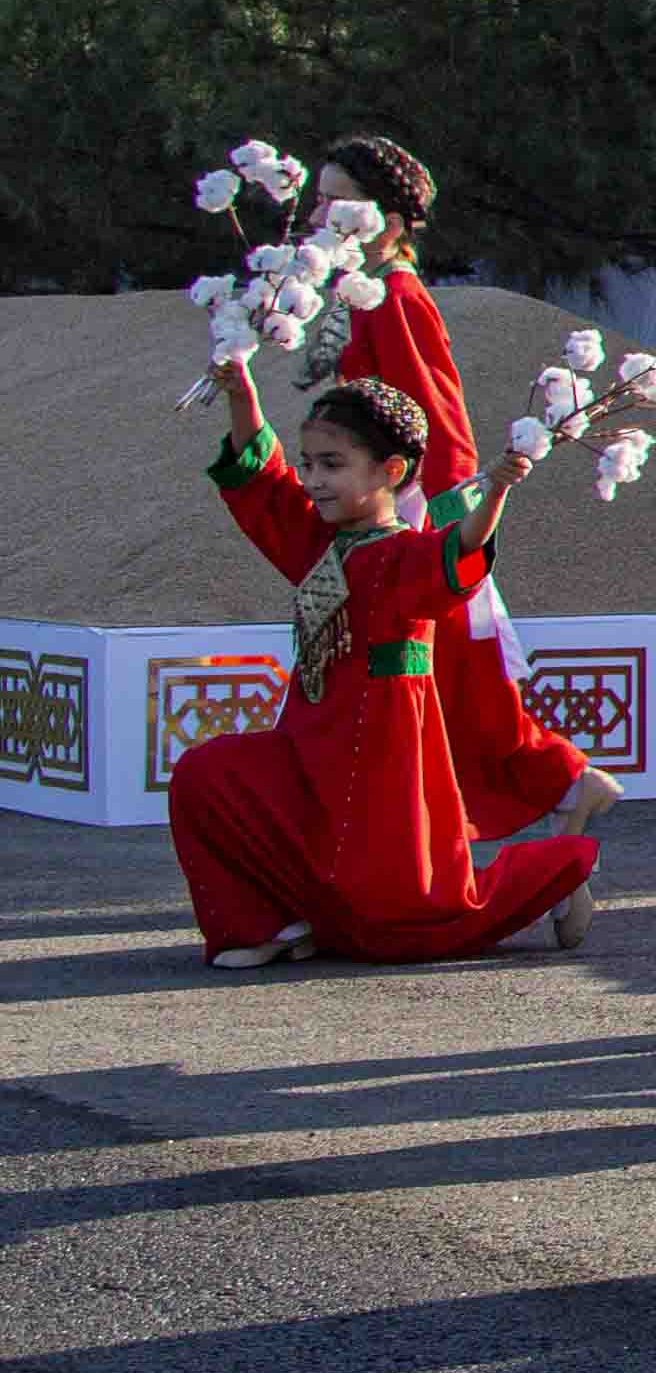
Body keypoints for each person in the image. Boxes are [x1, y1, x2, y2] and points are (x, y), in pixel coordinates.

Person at [168, 367, 603, 968]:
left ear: (391, 472)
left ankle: (563, 865)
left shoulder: (404, 555)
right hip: (308, 741)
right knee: (204, 778)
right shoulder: (317, 540)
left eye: (332, 465)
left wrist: (497, 492)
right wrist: (243, 393)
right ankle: (269, 925)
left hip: (380, 754)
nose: (314, 480)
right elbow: (265, 487)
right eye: (310, 463)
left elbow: (458, 551)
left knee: (396, 922)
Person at [291, 136, 611, 852]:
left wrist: (441, 529)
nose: (319, 214)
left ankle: (554, 789)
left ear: (393, 223)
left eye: (336, 201)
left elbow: (440, 425)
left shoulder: (398, 298)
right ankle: (554, 793)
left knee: (454, 683)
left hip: (414, 523)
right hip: (389, 518)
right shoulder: (365, 297)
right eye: (320, 199)